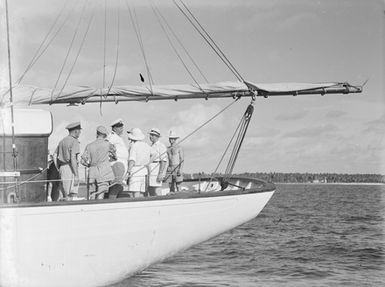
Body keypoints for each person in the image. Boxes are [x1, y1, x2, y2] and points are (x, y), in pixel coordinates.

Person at [81, 126, 115, 200]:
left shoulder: (89, 146)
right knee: (101, 194)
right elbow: (115, 156)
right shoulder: (108, 144)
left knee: (92, 194)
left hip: (92, 172)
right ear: (105, 135)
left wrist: (89, 165)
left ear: (97, 134)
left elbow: (82, 161)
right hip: (104, 171)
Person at [54, 121, 81, 200]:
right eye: (79, 131)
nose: (80, 133)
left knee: (65, 193)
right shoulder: (74, 141)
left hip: (62, 168)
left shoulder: (62, 141)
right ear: (76, 131)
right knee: (71, 195)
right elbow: (73, 158)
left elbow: (55, 155)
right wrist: (76, 175)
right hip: (70, 168)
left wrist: (58, 168)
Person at [126, 128, 151, 197]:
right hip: (144, 170)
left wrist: (128, 171)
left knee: (135, 192)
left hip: (135, 170)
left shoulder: (134, 146)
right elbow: (153, 155)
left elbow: (132, 160)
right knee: (141, 192)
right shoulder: (147, 145)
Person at [107, 119, 128, 183]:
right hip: (117, 164)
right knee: (116, 186)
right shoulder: (112, 137)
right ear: (115, 128)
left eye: (122, 128)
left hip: (122, 163)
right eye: (120, 128)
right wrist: (113, 156)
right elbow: (107, 147)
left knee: (119, 186)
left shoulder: (118, 137)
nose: (122, 130)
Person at [148, 128, 168, 196]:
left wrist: (160, 173)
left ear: (157, 137)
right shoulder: (150, 146)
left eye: (153, 135)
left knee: (157, 189)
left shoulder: (161, 146)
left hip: (157, 168)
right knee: (150, 189)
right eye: (150, 135)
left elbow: (163, 161)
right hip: (150, 169)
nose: (150, 137)